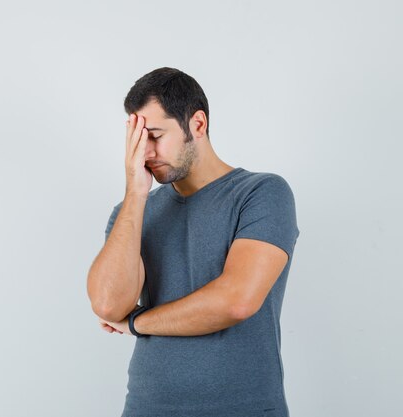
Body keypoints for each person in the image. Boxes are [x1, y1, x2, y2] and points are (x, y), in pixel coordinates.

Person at [86, 67, 300, 417]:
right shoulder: (132, 212)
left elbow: (236, 302)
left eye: (154, 135)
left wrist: (138, 323)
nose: (145, 153)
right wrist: (136, 193)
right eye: (137, 140)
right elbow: (108, 305)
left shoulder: (262, 193)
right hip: (146, 408)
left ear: (197, 124)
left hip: (244, 409)